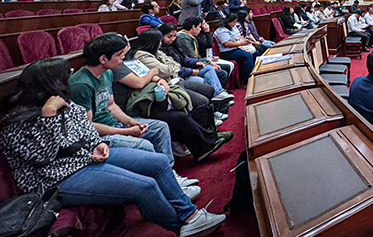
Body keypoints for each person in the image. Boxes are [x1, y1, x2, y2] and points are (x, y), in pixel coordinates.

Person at [0, 58, 226, 236]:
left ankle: (190, 216)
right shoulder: (16, 122)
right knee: (144, 186)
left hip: (85, 159)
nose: (69, 80)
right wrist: (49, 116)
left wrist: (98, 144)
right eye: (64, 76)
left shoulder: (65, 104)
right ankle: (181, 226)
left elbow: (86, 131)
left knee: (157, 162)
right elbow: (43, 157)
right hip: (55, 180)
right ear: (49, 84)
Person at [68, 34, 196, 194]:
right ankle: (168, 188)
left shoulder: (107, 72)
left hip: (114, 125)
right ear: (103, 59)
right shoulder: (81, 84)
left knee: (160, 128)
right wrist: (126, 132)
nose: (123, 58)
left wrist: (130, 122)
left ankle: (170, 177)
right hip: (98, 137)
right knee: (145, 145)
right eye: (119, 54)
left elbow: (111, 105)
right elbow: (88, 127)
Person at [113, 36, 231, 162]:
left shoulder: (126, 62)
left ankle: (208, 139)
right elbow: (141, 82)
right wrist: (153, 73)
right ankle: (206, 143)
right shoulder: (117, 68)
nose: (127, 44)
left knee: (189, 104)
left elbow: (157, 73)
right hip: (137, 107)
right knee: (180, 115)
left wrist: (157, 78)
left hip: (150, 98)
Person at [158, 24, 231, 102]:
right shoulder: (162, 50)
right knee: (206, 82)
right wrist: (191, 71)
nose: (172, 39)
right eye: (169, 36)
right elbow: (174, 69)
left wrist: (196, 62)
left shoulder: (173, 45)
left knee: (209, 68)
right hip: (178, 76)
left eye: (174, 36)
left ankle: (219, 95)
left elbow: (185, 58)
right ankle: (218, 99)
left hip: (185, 70)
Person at [214, 13, 257, 85]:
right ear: (228, 22)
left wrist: (245, 41)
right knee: (248, 56)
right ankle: (247, 80)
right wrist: (241, 44)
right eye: (233, 22)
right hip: (227, 52)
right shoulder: (221, 30)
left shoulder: (233, 27)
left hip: (236, 48)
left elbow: (239, 37)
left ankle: (255, 74)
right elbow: (227, 44)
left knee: (256, 53)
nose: (235, 24)